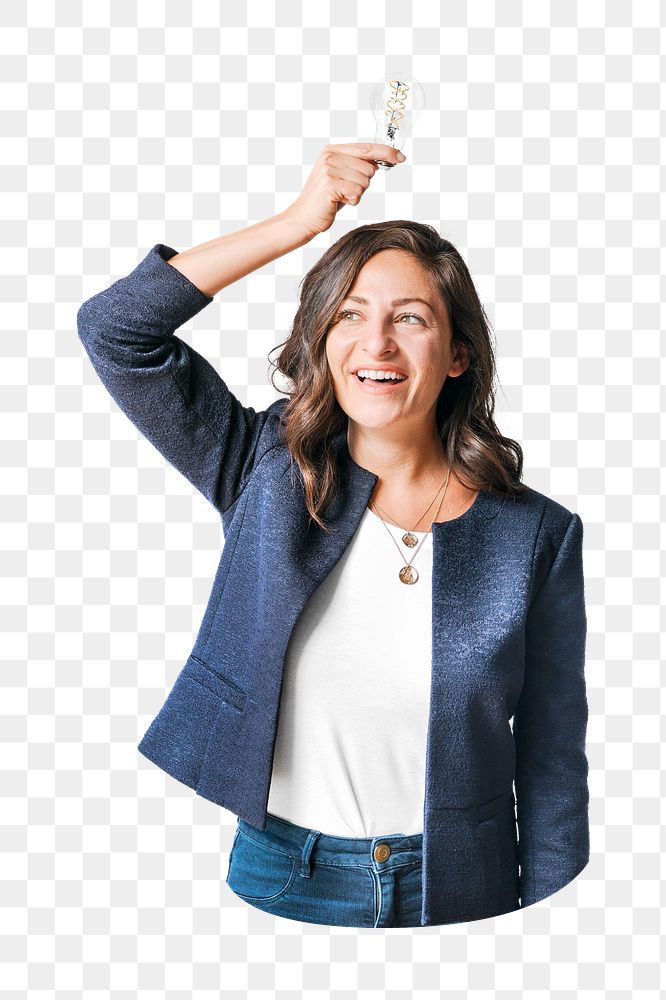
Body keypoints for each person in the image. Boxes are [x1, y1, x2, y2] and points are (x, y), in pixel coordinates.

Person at [77, 142, 590, 928]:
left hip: (461, 887)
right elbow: (116, 331)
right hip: (285, 873)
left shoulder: (538, 535)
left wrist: (557, 924)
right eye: (350, 315)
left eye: (410, 318)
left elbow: (552, 757)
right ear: (322, 341)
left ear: (457, 355)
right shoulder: (265, 468)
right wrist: (295, 222)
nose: (376, 343)